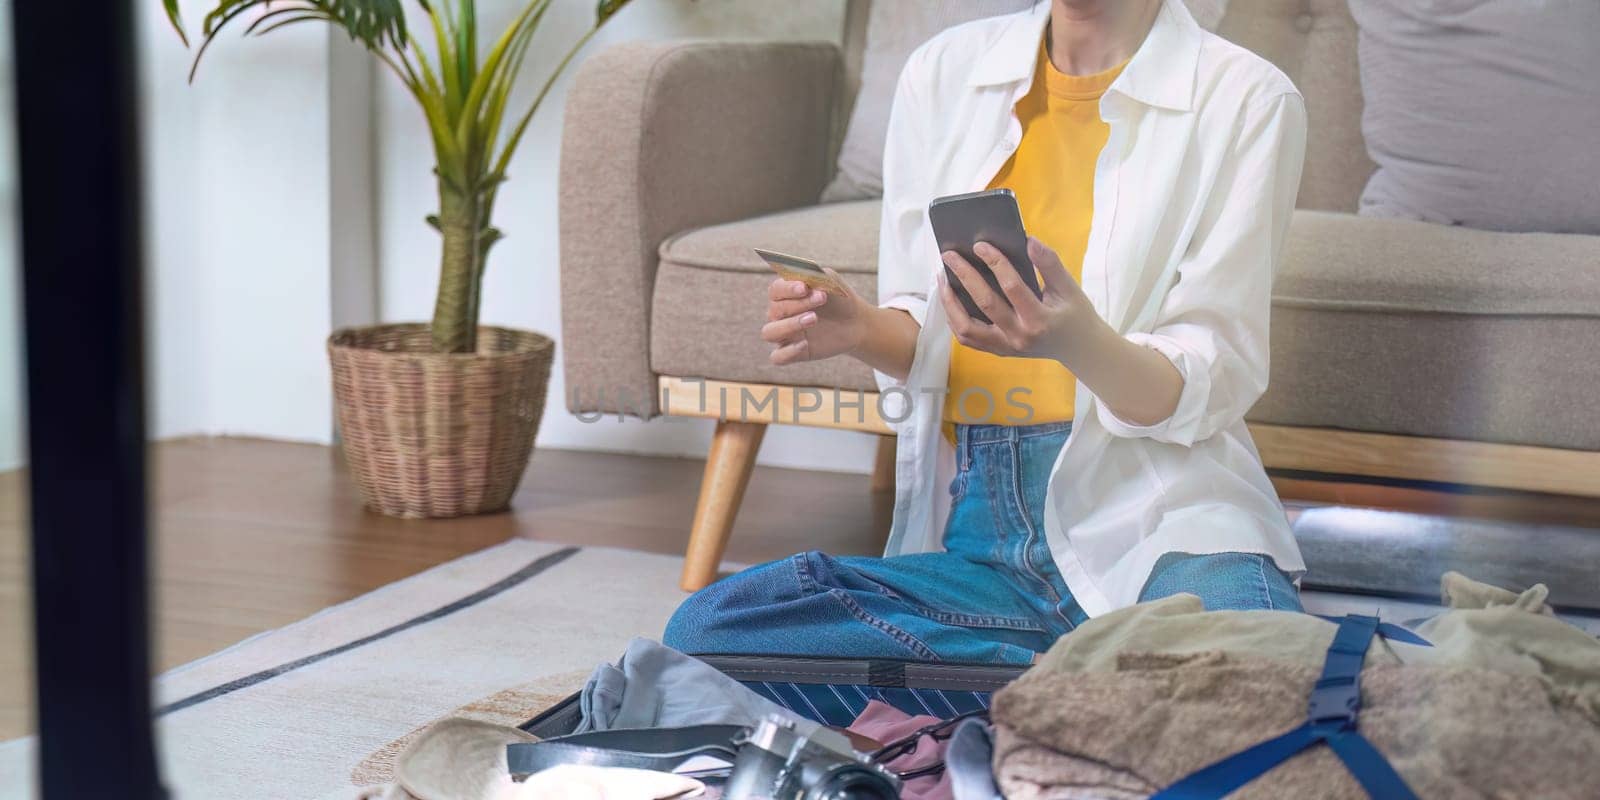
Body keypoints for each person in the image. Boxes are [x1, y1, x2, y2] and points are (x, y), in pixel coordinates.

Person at [664, 0, 1308, 665]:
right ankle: (1088, 693)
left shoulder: (1247, 99)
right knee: (714, 625)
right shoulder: (943, 73)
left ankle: (1012, 696)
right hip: (988, 548)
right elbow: (927, 323)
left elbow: (1211, 375)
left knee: (1251, 667)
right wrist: (860, 327)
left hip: (1168, 527)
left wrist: (1077, 340)